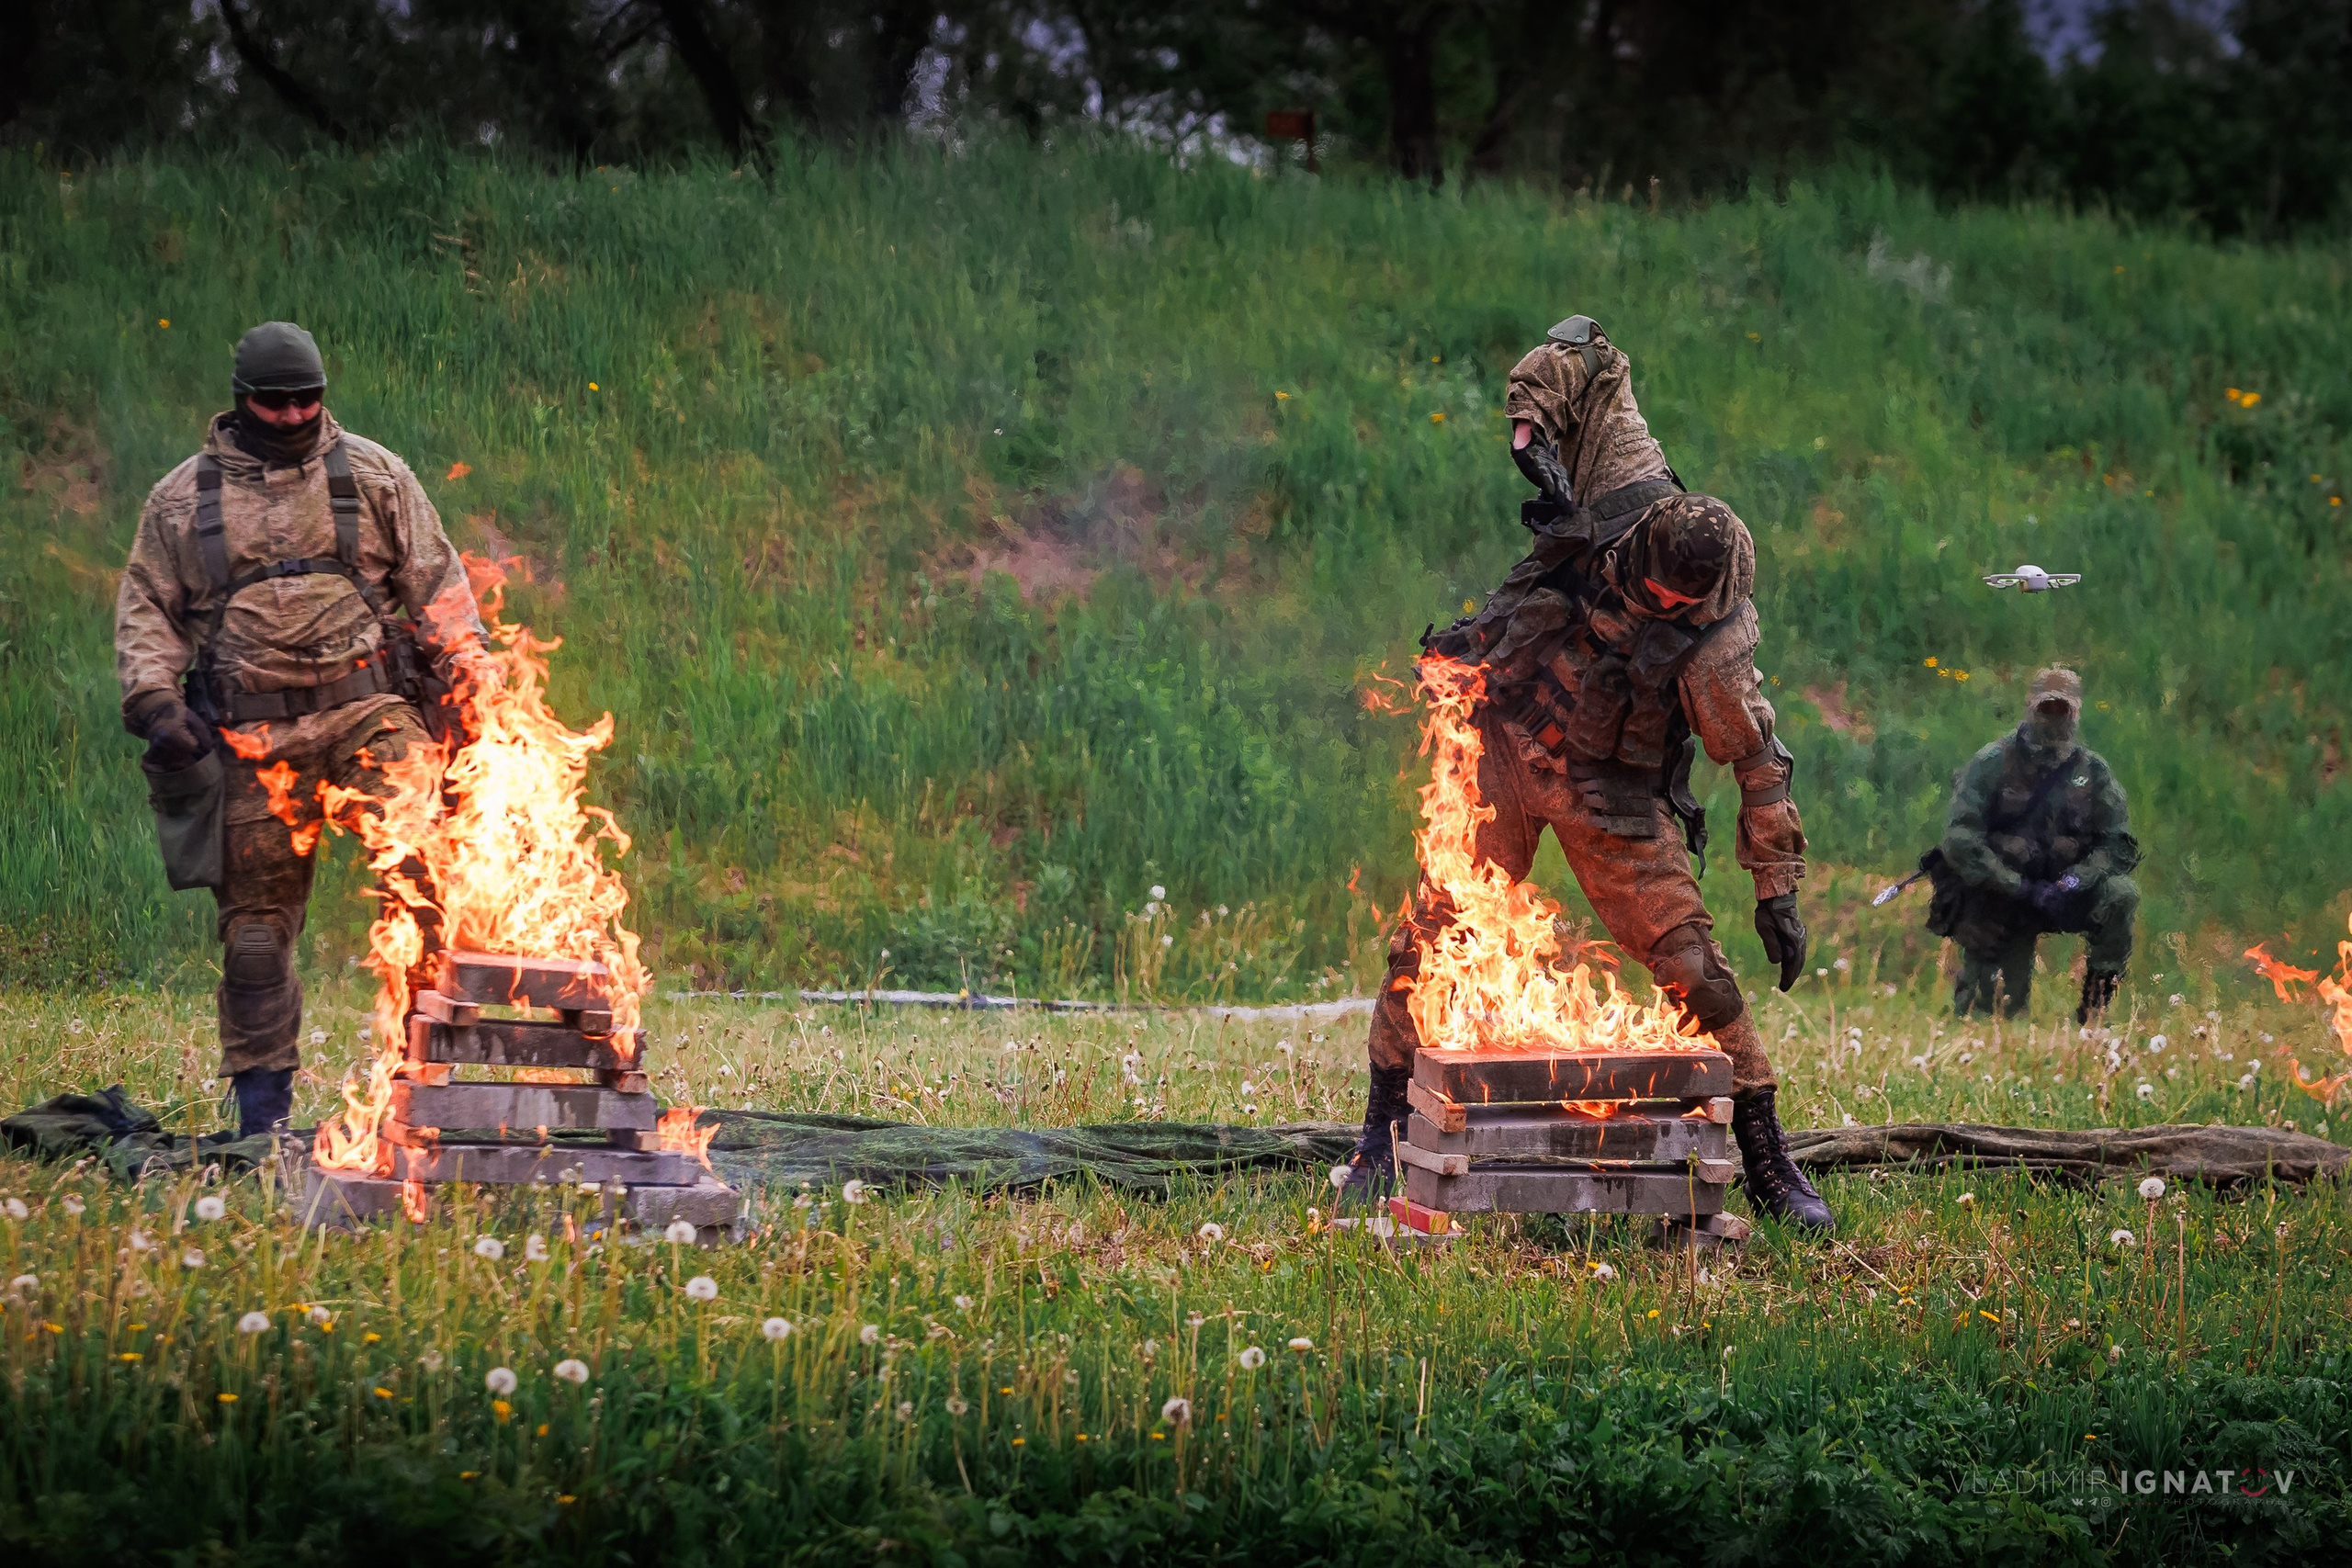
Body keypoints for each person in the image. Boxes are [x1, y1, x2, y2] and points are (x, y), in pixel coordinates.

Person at [1342, 314, 1832, 1232]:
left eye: (1666, 605)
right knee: (1428, 939)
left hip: (1608, 792)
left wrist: (1777, 887)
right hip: (1501, 743)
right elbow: (1588, 352)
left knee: (1697, 971)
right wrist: (1532, 432)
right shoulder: (1627, 490)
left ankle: (1767, 1156)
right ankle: (1378, 1136)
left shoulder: (1716, 649)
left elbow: (1760, 767)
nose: (1643, 607)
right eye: (1638, 586)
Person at [115, 322, 491, 1139]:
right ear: (240, 398)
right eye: (272, 401)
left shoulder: (375, 475)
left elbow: (439, 584)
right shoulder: (184, 500)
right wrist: (154, 701)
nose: (291, 415)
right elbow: (148, 607)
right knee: (253, 940)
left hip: (370, 715)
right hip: (251, 744)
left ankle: (427, 1087)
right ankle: (262, 1123)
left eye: (306, 399)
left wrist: (472, 678)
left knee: (427, 879)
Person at [1930, 667, 2138, 1022]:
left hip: (2066, 893)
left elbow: (2119, 844)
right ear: (2030, 706)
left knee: (2121, 894)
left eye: (2063, 711)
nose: (2054, 719)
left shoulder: (2094, 773)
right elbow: (1960, 837)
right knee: (1994, 1015)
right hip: (2005, 895)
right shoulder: (1992, 762)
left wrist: (2075, 881)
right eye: (2047, 709)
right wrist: (2017, 886)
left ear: (2076, 713)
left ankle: (2095, 1013)